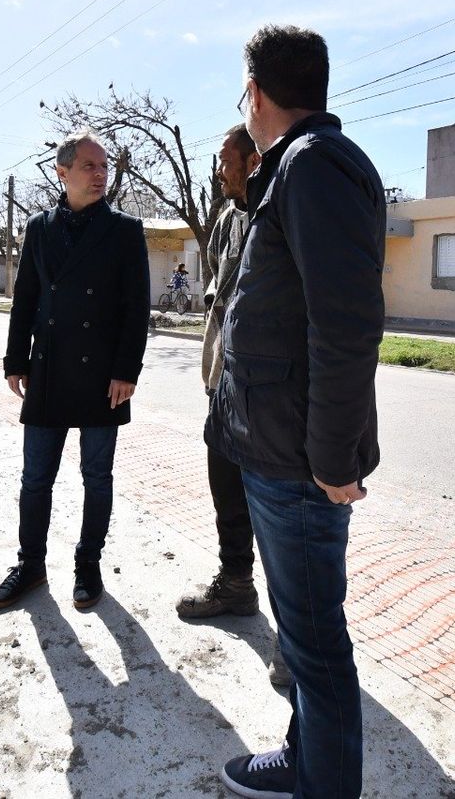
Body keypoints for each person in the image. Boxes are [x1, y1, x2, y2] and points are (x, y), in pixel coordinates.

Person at [207, 25, 385, 799]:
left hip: (301, 467)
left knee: (315, 644)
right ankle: (304, 758)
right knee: (302, 634)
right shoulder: (291, 169)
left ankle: (325, 784)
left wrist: (333, 461)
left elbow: (344, 327)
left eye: (243, 89)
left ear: (257, 91)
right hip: (274, 450)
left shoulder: (313, 168)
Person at [0, 132, 150, 613]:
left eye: (104, 166)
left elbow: (135, 307)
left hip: (104, 375)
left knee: (96, 477)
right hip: (48, 370)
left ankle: (88, 563)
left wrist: (127, 370)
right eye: (88, 166)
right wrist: (16, 359)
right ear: (62, 172)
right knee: (35, 477)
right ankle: (31, 563)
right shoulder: (39, 227)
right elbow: (27, 300)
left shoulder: (124, 229)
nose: (100, 174)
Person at [175, 123, 291, 688]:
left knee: (276, 506)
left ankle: (296, 638)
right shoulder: (226, 218)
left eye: (225, 159)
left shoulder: (278, 208)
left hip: (268, 388)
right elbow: (219, 296)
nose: (218, 169)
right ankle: (236, 584)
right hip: (223, 375)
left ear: (251, 161)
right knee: (225, 480)